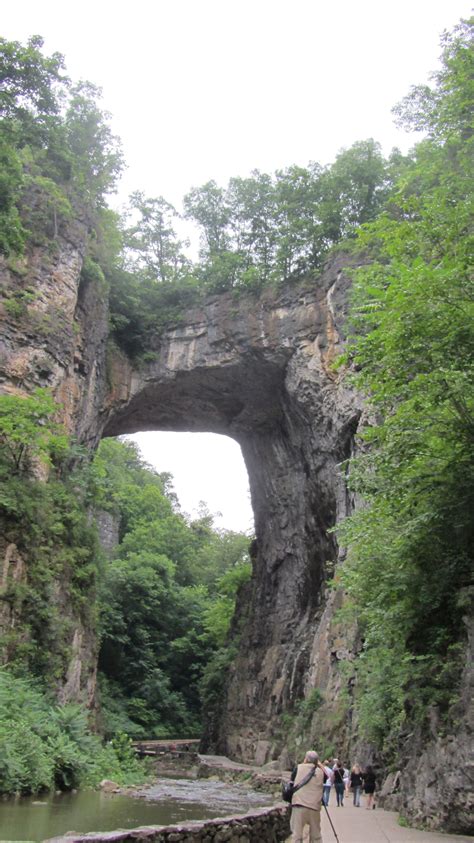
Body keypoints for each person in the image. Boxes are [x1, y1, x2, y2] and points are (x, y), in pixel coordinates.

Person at [290, 750, 325, 842]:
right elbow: (329, 777)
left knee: (296, 835)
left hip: (299, 805)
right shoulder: (321, 772)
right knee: (316, 836)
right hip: (314, 807)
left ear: (306, 759)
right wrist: (320, 765)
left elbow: (292, 783)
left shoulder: (298, 768)